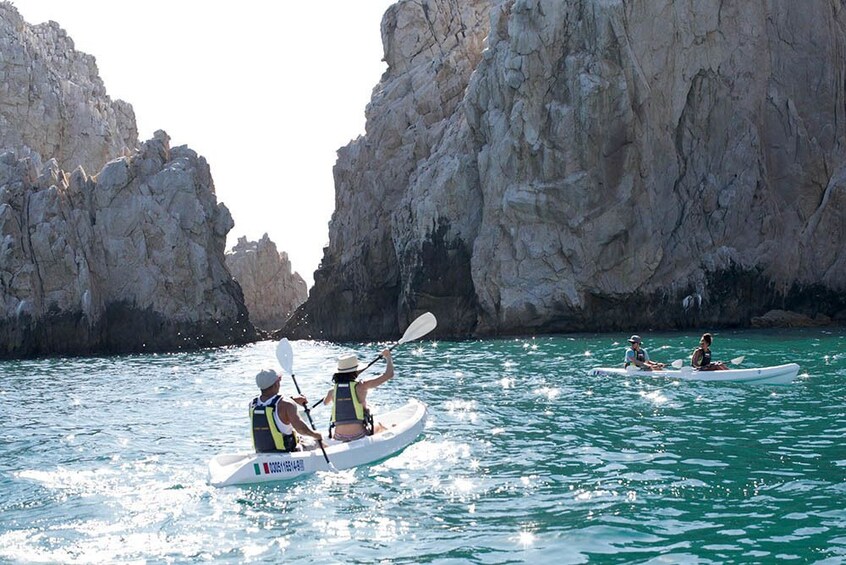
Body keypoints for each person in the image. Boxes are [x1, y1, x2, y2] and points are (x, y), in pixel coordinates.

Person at [322, 349, 394, 442]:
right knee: (380, 425)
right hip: (358, 435)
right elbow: (389, 375)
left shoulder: (332, 391)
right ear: (356, 371)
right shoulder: (361, 386)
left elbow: (325, 403)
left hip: (338, 436)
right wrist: (388, 357)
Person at [250, 369, 322, 453]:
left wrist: (293, 399)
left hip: (262, 452)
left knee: (300, 438)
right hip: (288, 452)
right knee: (317, 441)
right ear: (276, 384)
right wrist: (316, 435)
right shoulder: (287, 404)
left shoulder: (253, 405)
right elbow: (301, 429)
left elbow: (271, 406)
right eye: (279, 380)